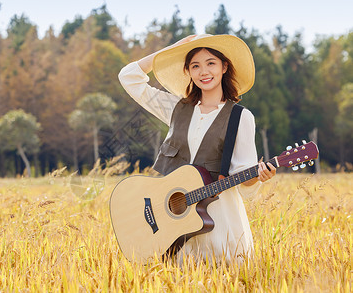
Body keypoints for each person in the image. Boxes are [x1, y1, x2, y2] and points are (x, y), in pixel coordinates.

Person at [118, 34, 276, 264]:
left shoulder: (240, 118)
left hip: (219, 222)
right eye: (195, 66)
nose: (204, 71)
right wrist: (171, 49)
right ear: (189, 72)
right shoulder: (176, 108)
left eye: (211, 63)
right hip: (174, 224)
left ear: (224, 67)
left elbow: (245, 179)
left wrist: (258, 177)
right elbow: (129, 77)